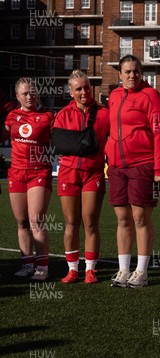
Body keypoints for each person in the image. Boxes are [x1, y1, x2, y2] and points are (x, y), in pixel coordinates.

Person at [106, 55, 160, 288]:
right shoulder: (114, 96)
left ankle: (141, 271)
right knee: (122, 219)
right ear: (120, 74)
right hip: (116, 167)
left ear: (141, 73)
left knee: (140, 218)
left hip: (143, 165)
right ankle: (123, 270)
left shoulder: (151, 96)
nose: (132, 75)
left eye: (136, 71)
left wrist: (159, 169)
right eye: (127, 71)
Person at [54, 70, 109, 284]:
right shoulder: (62, 115)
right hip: (68, 173)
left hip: (93, 173)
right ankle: (72, 269)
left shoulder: (104, 114)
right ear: (71, 92)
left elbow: (114, 140)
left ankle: (91, 270)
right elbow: (59, 144)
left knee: (90, 222)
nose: (84, 91)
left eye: (86, 87)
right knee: (70, 222)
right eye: (78, 89)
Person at [4, 78, 54, 281]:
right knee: (22, 222)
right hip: (16, 173)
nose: (29, 96)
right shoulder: (11, 117)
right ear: (17, 96)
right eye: (24, 93)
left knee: (36, 220)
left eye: (32, 92)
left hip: (39, 172)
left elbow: (60, 140)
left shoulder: (48, 116)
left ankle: (42, 267)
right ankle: (26, 264)